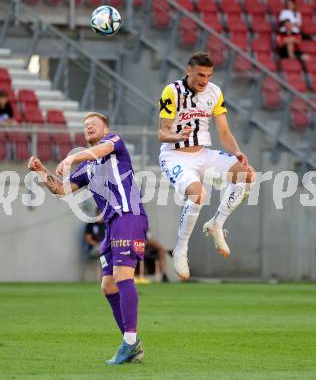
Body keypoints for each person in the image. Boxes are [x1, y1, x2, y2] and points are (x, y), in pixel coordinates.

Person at [27, 111, 148, 365]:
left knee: (123, 276)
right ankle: (132, 344)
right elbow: (61, 190)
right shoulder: (86, 168)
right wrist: (41, 171)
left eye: (94, 124)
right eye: (85, 126)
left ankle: (128, 341)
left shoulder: (114, 143)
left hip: (129, 215)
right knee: (108, 286)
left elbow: (100, 151)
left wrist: (72, 157)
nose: (89, 127)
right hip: (111, 225)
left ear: (106, 129)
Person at [158, 52, 255, 280]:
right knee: (198, 194)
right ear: (188, 70)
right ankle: (181, 249)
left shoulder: (215, 92)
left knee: (247, 175)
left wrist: (237, 151)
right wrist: (176, 135)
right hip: (175, 156)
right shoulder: (171, 92)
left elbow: (224, 132)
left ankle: (216, 224)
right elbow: (162, 132)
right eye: (200, 75)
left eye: (209, 76)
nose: (204, 80)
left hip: (204, 153)